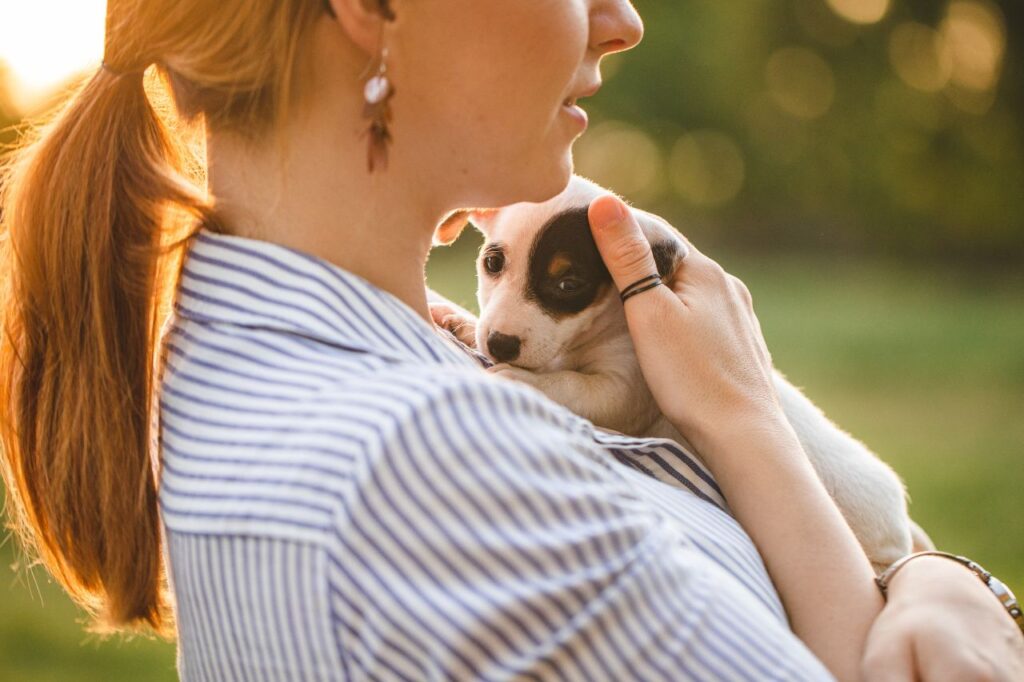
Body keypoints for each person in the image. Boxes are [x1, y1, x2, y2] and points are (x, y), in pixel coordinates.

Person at [0, 0, 1020, 680]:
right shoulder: (428, 459)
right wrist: (745, 415)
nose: (623, 21)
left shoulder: (285, 361)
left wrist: (934, 579)